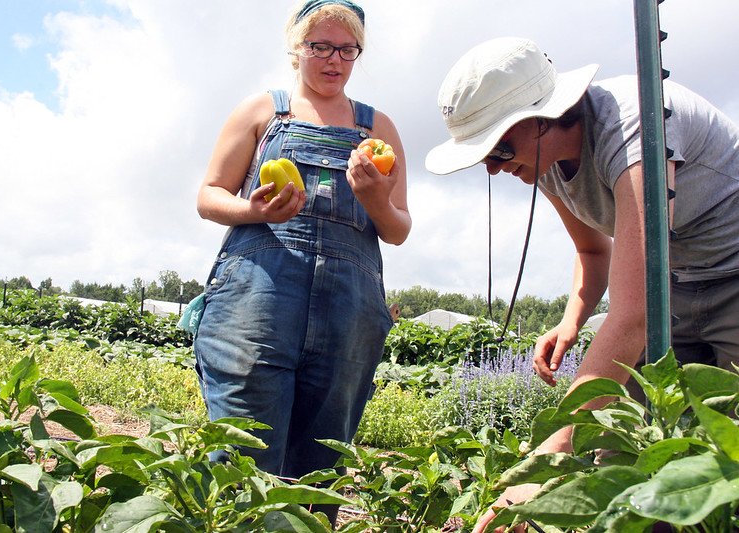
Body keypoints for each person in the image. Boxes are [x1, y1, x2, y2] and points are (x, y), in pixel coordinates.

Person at [424, 36, 739, 532]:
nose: (494, 167)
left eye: (499, 147)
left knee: (728, 455)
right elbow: (593, 251)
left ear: (544, 116)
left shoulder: (633, 126)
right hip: (677, 284)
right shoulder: (543, 164)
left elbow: (634, 314)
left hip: (733, 275)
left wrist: (552, 458)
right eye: (483, 155)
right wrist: (571, 321)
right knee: (625, 455)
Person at [189, 0, 410, 523]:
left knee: (320, 465)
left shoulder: (378, 128)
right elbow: (208, 195)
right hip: (257, 303)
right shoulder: (263, 112)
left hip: (347, 315)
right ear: (297, 48)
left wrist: (375, 198)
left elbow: (398, 228)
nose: (334, 60)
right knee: (244, 453)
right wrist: (253, 208)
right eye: (320, 47)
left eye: (347, 50)